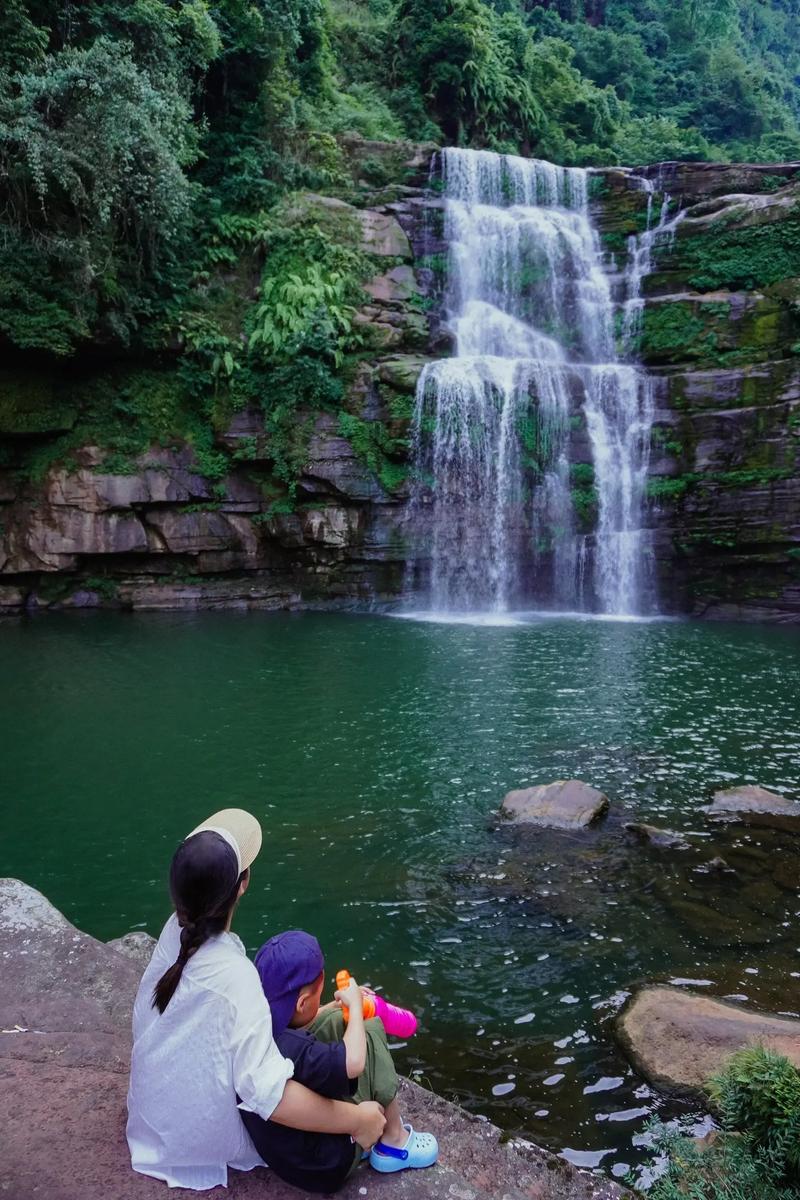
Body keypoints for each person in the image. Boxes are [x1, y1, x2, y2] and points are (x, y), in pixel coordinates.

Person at [126, 809, 386, 1190]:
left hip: (154, 1117)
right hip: (198, 1136)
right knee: (354, 1047)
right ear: (242, 885)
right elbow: (270, 1097)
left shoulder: (175, 934)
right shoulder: (236, 976)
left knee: (310, 1037)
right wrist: (357, 1120)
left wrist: (324, 1010)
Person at [241, 928, 438, 1192]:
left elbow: (303, 1026)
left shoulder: (257, 1027)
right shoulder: (295, 1048)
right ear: (301, 1004)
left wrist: (333, 1009)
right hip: (327, 1165)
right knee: (366, 1028)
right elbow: (354, 1061)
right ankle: (394, 1141)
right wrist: (356, 1008)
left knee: (334, 1020)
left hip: (286, 1158)